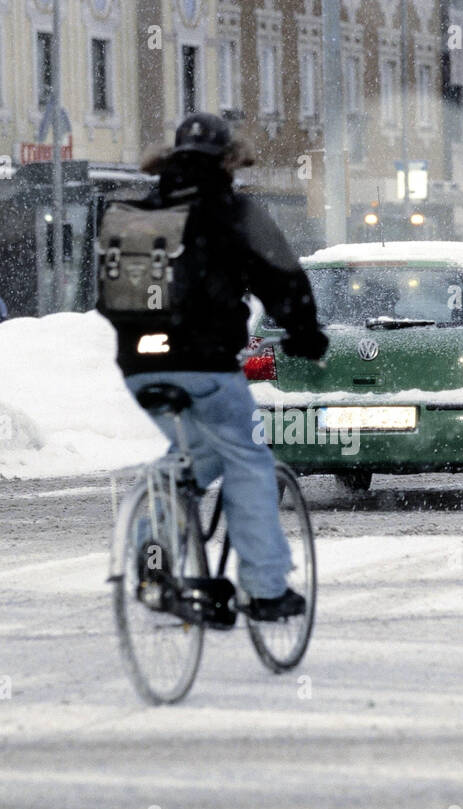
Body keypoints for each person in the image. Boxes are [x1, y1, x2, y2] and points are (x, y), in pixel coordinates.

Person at [106, 112, 328, 620]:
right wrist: (305, 333)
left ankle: (155, 567)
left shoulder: (135, 210)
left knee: (188, 458)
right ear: (229, 161)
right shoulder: (234, 211)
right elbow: (281, 280)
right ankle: (267, 588)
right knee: (247, 457)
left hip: (140, 366)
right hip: (205, 364)